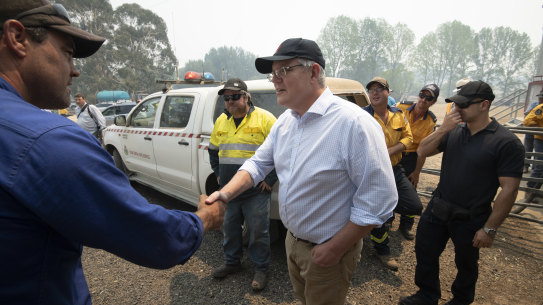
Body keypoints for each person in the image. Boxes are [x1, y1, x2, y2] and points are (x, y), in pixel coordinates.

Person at [0, 1, 225, 304]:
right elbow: (154, 236)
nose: (75, 69)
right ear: (17, 37)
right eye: (67, 52)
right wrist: (205, 218)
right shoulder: (49, 141)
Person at [206, 38, 397, 305]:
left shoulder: (354, 124)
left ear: (314, 72)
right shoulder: (286, 121)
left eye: (283, 71)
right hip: (293, 243)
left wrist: (336, 247)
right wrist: (224, 195)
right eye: (273, 74)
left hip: (330, 249)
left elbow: (379, 199)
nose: (275, 80)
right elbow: (258, 164)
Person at [399, 80, 524, 305]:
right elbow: (422, 150)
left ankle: (461, 299)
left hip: (471, 216)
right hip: (439, 207)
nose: (457, 109)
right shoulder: (454, 131)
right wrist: (444, 129)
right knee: (425, 251)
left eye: (463, 105)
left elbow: (509, 189)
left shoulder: (506, 143)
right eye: (455, 104)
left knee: (466, 263)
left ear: (484, 105)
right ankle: (427, 294)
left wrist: (489, 228)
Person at [209, 78, 278, 291]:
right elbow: (213, 150)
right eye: (226, 98)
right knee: (229, 229)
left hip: (255, 191)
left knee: (258, 231)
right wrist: (219, 174)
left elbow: (282, 151)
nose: (230, 101)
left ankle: (261, 269)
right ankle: (232, 263)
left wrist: (269, 179)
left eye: (235, 96)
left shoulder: (265, 118)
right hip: (229, 191)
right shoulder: (221, 121)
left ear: (246, 97)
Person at [363, 77, 422, 271]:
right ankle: (382, 250)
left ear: (388, 92)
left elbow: (409, 138)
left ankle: (385, 213)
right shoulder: (363, 116)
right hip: (372, 172)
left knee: (414, 205)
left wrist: (390, 151)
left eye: (380, 89)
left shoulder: (398, 115)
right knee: (378, 212)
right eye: (372, 90)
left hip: (394, 169)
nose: (375, 93)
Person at [397, 84, 439, 188]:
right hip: (393, 152)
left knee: (409, 189)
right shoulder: (400, 107)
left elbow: (423, 150)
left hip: (411, 159)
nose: (424, 100)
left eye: (429, 98)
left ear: (433, 102)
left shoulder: (430, 122)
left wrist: (417, 172)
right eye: (422, 95)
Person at [522, 89, 543, 193]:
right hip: (540, 140)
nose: (540, 99)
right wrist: (539, 129)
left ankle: (535, 190)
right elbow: (527, 120)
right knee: (539, 165)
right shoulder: (540, 108)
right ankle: (530, 189)